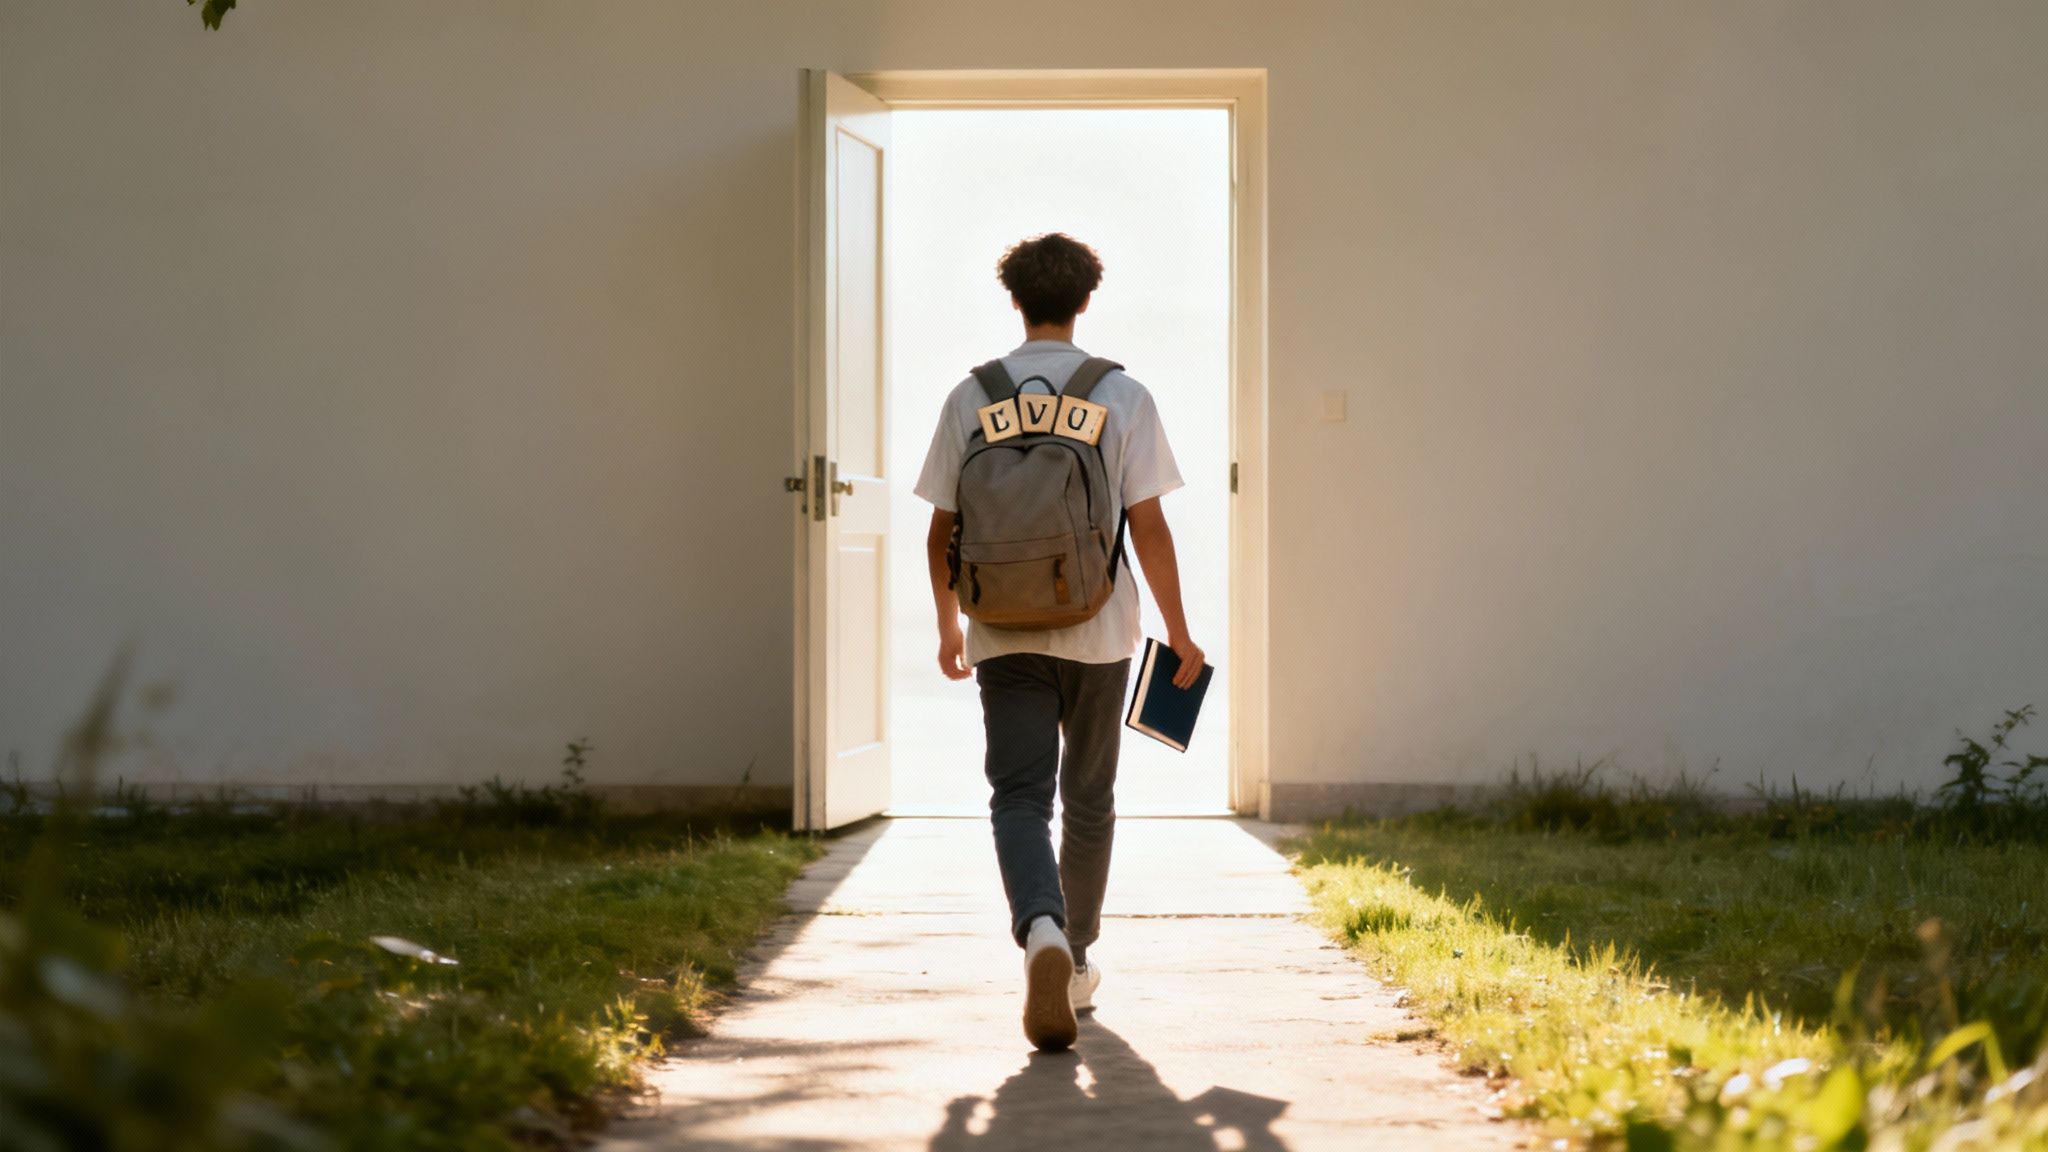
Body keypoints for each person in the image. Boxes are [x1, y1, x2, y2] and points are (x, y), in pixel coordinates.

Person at [913, 232, 1206, 1052]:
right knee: (1088, 799)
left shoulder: (971, 396)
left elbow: (941, 529)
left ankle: (1038, 928)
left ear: (1015, 300)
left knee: (1017, 797)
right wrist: (1178, 632)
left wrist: (947, 627)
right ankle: (1075, 959)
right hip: (1101, 629)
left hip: (1001, 631)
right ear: (1084, 301)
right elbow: (1147, 525)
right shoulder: (1123, 394)